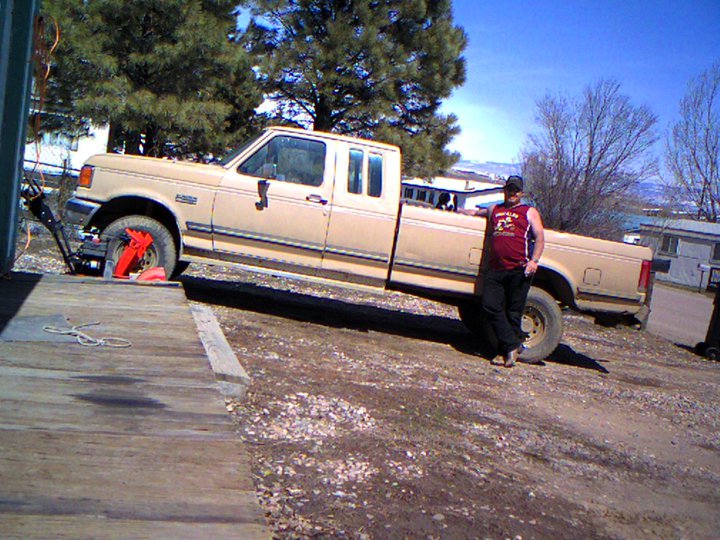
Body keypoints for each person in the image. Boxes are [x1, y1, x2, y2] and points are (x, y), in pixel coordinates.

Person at [458, 175, 545, 367]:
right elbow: (476, 213)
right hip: (496, 269)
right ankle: (513, 345)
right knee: (490, 305)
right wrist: (461, 211)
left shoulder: (528, 211)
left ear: (521, 193)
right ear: (504, 190)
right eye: (509, 189)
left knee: (513, 312)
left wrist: (534, 261)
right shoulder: (495, 209)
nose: (512, 193)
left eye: (516, 190)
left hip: (519, 269)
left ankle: (505, 352)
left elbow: (539, 236)